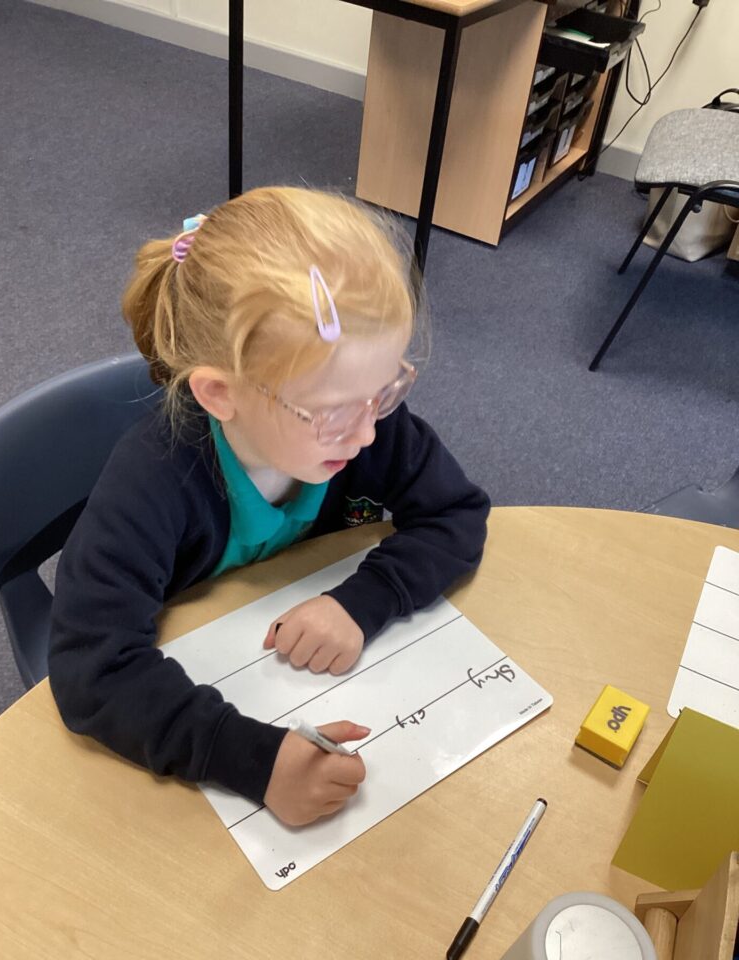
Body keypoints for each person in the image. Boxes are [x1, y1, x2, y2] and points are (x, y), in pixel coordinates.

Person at [48, 187, 489, 826]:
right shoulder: (151, 483)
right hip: (201, 681)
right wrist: (253, 761)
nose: (368, 432)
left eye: (386, 388)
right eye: (334, 411)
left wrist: (363, 600)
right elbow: (92, 668)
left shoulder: (363, 424)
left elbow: (457, 512)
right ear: (220, 395)